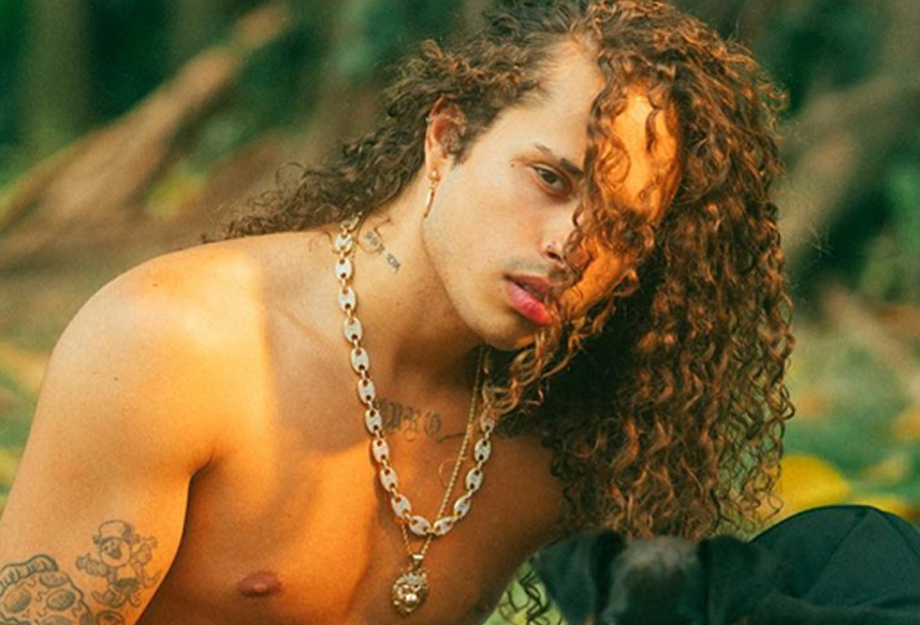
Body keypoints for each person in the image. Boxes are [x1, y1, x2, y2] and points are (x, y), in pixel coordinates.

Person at [0, 1, 793, 624]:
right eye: (551, 179)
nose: (572, 246)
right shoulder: (175, 346)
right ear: (445, 139)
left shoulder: (569, 433)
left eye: (622, 228)